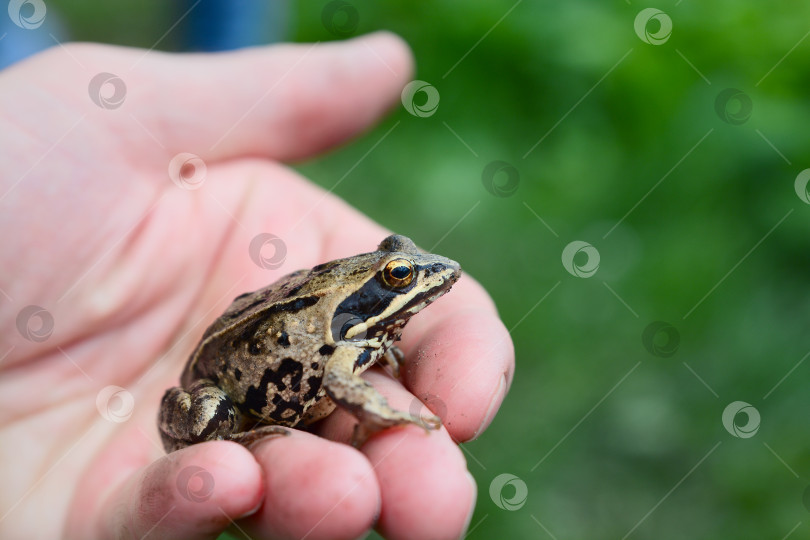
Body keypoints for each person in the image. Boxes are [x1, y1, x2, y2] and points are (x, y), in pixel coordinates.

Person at [0, 32, 514, 540]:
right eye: (398, 276)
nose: (423, 275)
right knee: (213, 421)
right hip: (217, 390)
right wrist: (385, 416)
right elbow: (339, 382)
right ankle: (240, 435)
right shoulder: (346, 346)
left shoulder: (357, 333)